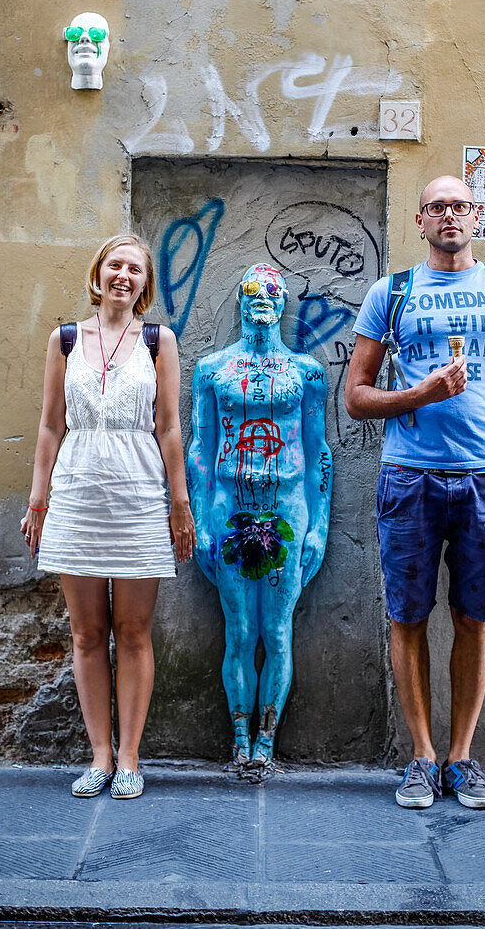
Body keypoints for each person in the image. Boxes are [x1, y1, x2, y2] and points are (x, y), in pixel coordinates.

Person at [345, 176, 485, 810]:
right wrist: (420, 394)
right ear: (420, 220)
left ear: (475, 216)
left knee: (474, 620)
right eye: (437, 207)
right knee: (407, 617)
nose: (449, 215)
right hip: (410, 479)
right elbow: (355, 396)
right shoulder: (391, 293)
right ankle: (422, 758)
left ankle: (462, 759)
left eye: (460, 205)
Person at [20, 234, 196, 799]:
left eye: (135, 270)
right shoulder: (66, 339)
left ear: (145, 283)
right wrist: (38, 500)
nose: (123, 276)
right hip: (77, 493)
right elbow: (50, 425)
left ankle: (130, 757)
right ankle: (98, 755)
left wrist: (180, 501)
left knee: (134, 630)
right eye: (115, 266)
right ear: (99, 273)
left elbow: (169, 427)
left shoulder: (158, 340)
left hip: (140, 493)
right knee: (87, 631)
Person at [188, 263, 332, 776]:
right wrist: (202, 519)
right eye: (251, 290)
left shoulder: (306, 372)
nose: (262, 298)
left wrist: (318, 524)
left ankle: (267, 742)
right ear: (240, 300)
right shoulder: (212, 369)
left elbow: (319, 451)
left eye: (272, 290)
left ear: (284, 298)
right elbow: (200, 449)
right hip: (229, 506)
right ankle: (240, 739)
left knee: (277, 629)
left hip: (287, 506)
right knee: (240, 628)